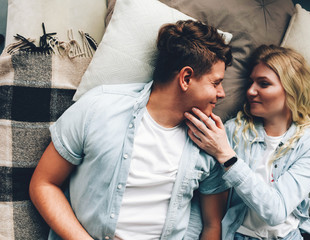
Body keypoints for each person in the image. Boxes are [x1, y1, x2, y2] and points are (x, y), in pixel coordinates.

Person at [29, 20, 232, 240]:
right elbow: (43, 184)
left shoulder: (213, 141)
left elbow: (213, 225)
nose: (222, 93)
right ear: (185, 78)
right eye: (215, 83)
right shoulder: (99, 108)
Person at [184, 45, 310, 240]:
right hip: (238, 234)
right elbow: (207, 200)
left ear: (291, 89)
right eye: (251, 83)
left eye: (263, 84)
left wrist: (228, 157)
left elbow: (276, 212)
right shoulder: (233, 131)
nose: (250, 91)